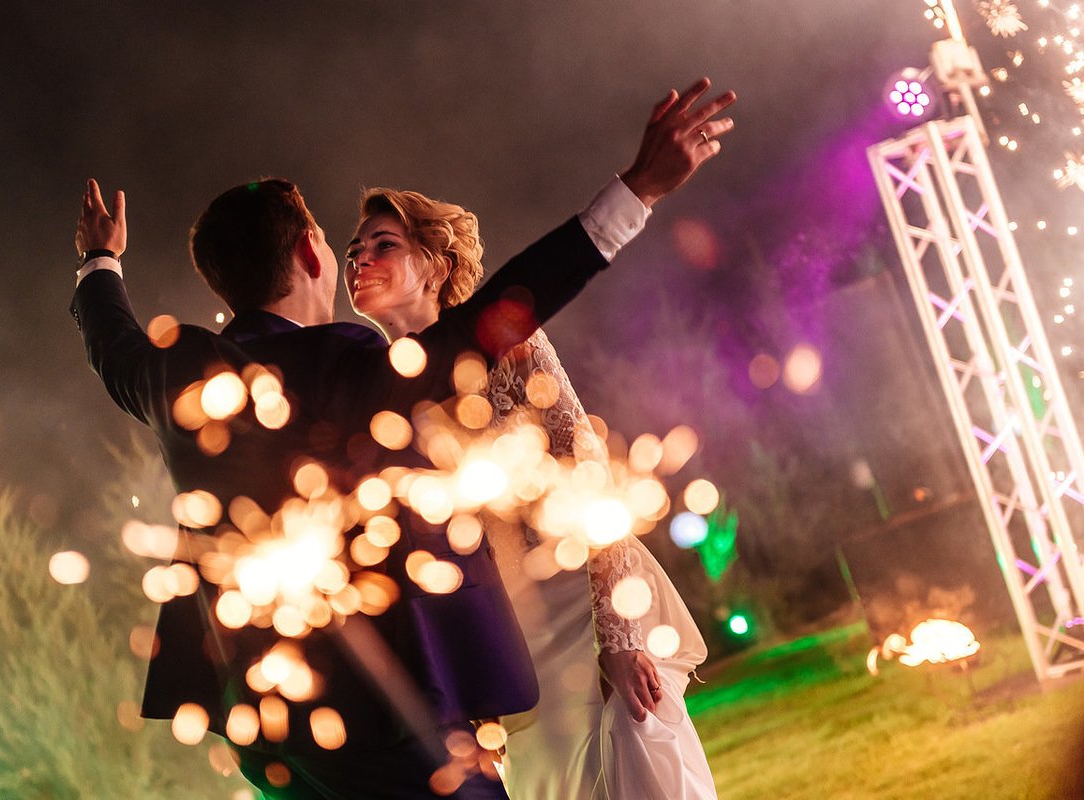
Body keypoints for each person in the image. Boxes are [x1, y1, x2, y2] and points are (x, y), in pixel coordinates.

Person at [71, 77, 734, 799]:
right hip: (396, 720)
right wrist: (637, 190)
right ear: (312, 254)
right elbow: (506, 305)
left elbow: (112, 344)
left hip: (268, 732)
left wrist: (100, 263)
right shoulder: (356, 368)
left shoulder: (175, 371)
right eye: (343, 244)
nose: (357, 258)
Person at [345, 183, 721, 799]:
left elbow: (589, 466)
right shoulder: (372, 394)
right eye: (354, 250)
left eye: (383, 244)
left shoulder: (508, 345)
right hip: (502, 636)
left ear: (436, 266)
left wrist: (619, 640)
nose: (360, 258)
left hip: (579, 603)